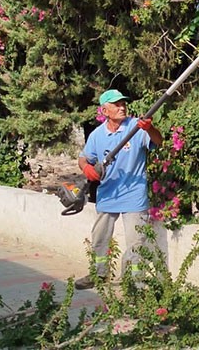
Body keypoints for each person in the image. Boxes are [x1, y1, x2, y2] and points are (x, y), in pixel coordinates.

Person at [75, 89, 163, 290]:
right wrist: (86, 167)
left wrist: (149, 129)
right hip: (108, 194)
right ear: (105, 110)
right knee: (99, 238)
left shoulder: (136, 127)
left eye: (123, 103)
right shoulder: (97, 135)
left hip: (134, 196)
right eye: (116, 104)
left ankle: (134, 282)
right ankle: (99, 275)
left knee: (136, 242)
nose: (122, 107)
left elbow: (158, 141)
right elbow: (84, 157)